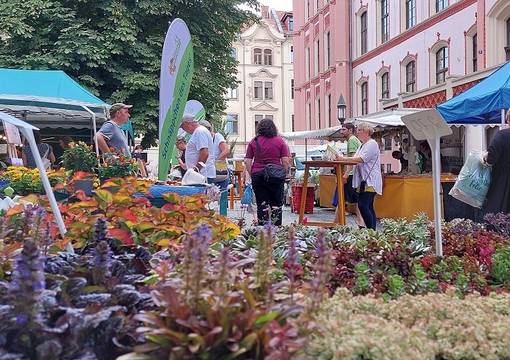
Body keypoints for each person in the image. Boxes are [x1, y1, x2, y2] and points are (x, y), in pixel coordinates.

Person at [244, 118, 291, 226]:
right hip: (276, 176)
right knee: (276, 205)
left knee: (262, 204)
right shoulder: (280, 141)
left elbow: (247, 161)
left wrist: (253, 173)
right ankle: (277, 230)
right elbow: (285, 160)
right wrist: (284, 173)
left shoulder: (254, 141)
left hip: (258, 175)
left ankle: (263, 233)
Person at [336, 122, 382, 230]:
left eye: (359, 130)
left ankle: (371, 230)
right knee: (368, 205)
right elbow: (355, 159)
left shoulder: (372, 144)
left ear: (366, 132)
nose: (358, 132)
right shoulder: (363, 145)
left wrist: (343, 159)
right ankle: (372, 231)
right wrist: (346, 171)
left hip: (370, 181)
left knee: (363, 205)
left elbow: (361, 159)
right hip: (364, 181)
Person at [333, 123, 364, 227]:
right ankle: (360, 222)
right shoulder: (354, 140)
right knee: (352, 200)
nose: (341, 132)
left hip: (351, 174)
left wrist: (346, 174)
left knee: (343, 198)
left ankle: (336, 223)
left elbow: (352, 159)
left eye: (344, 129)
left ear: (350, 130)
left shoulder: (351, 141)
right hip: (354, 174)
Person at [200, 119, 230, 216]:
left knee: (222, 195)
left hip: (219, 171)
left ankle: (223, 218)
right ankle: (210, 217)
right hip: (208, 172)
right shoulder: (203, 139)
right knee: (208, 196)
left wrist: (215, 162)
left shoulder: (217, 136)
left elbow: (226, 150)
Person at [483, 111, 510, 214]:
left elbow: (491, 159)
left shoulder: (502, 135)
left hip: (503, 183)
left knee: (499, 218)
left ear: (508, 119)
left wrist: (484, 158)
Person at [180, 114, 215, 181]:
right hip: (200, 175)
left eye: (183, 127)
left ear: (187, 123)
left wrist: (195, 170)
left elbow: (204, 154)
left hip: (202, 175)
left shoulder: (200, 132)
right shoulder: (199, 131)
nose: (184, 130)